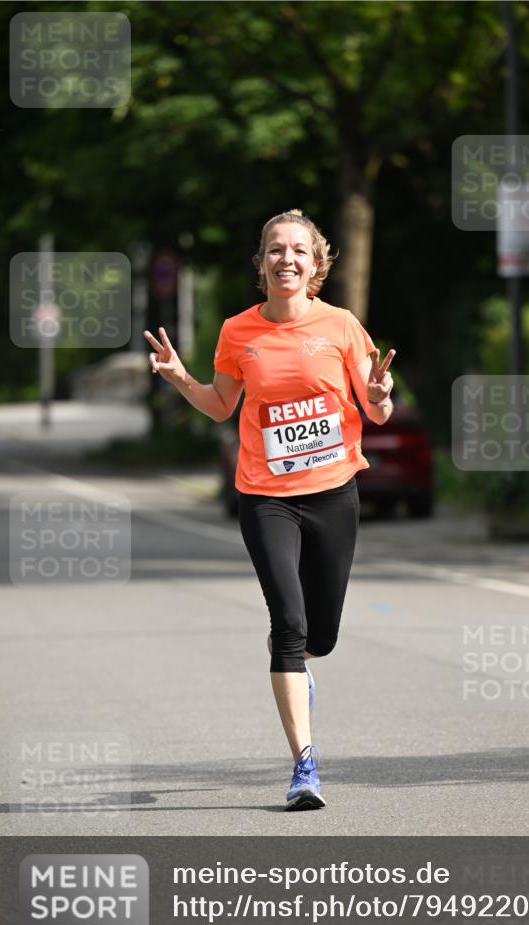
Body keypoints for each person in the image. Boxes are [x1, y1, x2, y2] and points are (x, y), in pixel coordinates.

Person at [144, 209, 395, 811]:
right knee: (288, 626)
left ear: (316, 265)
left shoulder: (340, 326)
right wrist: (180, 377)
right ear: (262, 264)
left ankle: (300, 668)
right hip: (265, 496)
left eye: (299, 252)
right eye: (276, 250)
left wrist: (382, 397)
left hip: (334, 491)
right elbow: (221, 405)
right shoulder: (238, 332)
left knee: (321, 637)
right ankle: (304, 767)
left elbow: (377, 411)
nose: (287, 259)